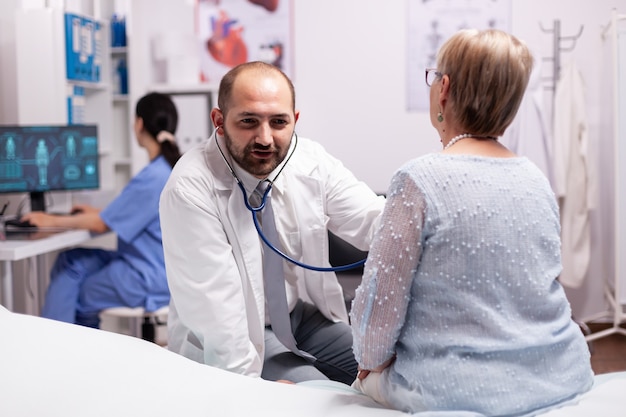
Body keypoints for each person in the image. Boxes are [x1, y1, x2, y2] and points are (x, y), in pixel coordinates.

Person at [350, 29, 594, 416]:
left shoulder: (417, 179)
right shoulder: (534, 178)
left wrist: (369, 362)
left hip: (448, 388)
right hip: (560, 375)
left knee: (359, 383)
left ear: (443, 88)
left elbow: (380, 302)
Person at [159, 61, 385, 384]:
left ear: (294, 120)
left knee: (393, 371)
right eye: (249, 121)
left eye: (278, 122)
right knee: (317, 397)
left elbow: (374, 221)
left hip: (300, 319)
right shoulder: (190, 188)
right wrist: (252, 389)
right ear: (219, 122)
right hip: (242, 337)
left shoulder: (311, 160)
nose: (265, 138)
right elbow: (220, 320)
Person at [22, 92, 182, 328]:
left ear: (139, 124)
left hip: (147, 275)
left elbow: (101, 225)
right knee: (70, 259)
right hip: (158, 266)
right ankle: (57, 339)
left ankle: (58, 347)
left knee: (78, 294)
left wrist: (49, 219)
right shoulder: (168, 168)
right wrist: (96, 212)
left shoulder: (152, 176)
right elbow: (131, 213)